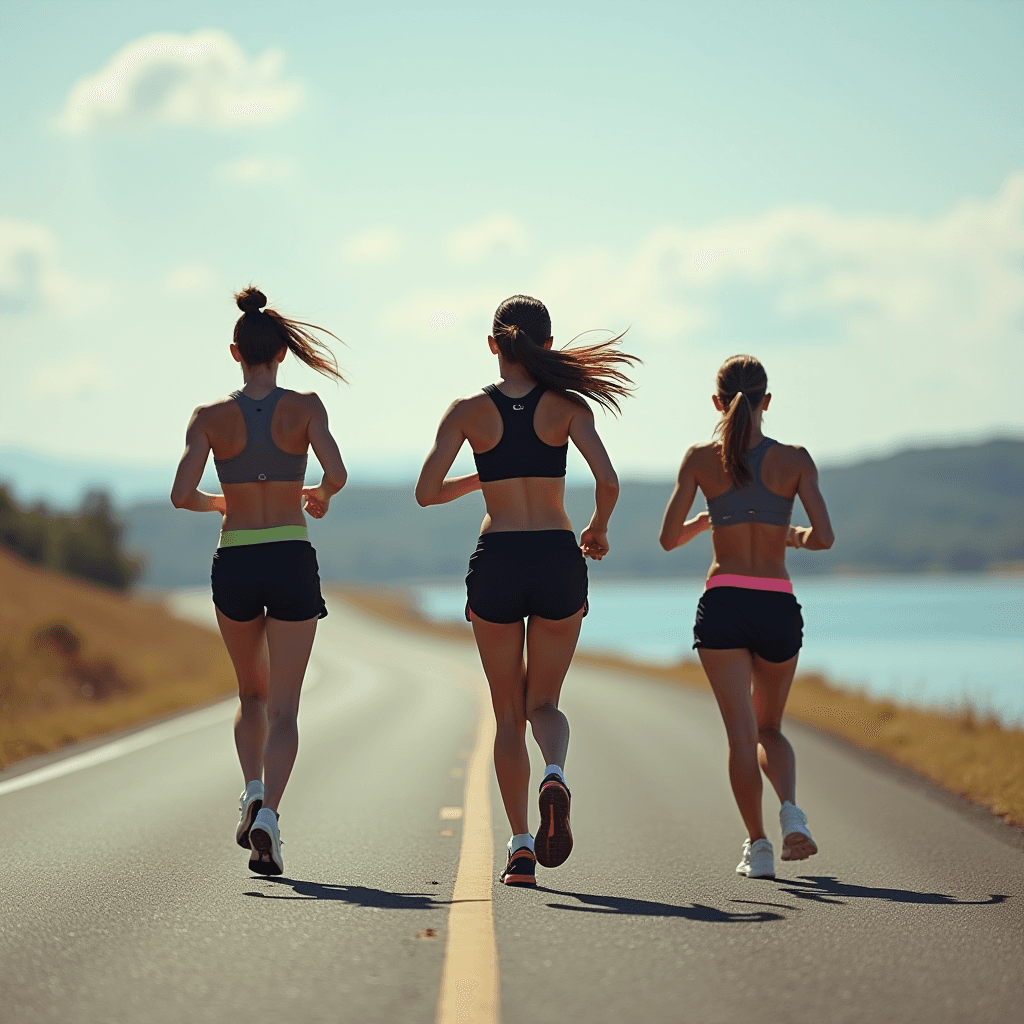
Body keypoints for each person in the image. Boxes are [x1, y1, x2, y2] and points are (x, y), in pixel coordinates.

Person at [415, 295, 639, 887]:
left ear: (494, 345)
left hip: (499, 558)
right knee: (545, 704)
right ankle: (555, 772)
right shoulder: (566, 407)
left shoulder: (467, 411)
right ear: (546, 344)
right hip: (558, 557)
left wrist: (487, 473)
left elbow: (427, 493)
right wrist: (598, 527)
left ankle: (518, 849)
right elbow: (608, 480)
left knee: (507, 712)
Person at [170, 286, 347, 876]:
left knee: (251, 694)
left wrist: (225, 503)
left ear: (235, 352)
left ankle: (250, 789)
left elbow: (180, 495)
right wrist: (316, 495)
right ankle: (269, 813)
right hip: (291, 556)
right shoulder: (307, 407)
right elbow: (337, 473)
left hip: (237, 560)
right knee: (287, 709)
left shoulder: (211, 418)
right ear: (283, 354)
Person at [659, 354, 834, 880]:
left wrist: (706, 520)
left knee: (740, 737)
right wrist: (789, 534)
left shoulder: (698, 459)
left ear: (717, 403)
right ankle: (791, 812)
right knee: (771, 729)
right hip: (776, 605)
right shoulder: (796, 459)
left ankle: (758, 846)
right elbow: (823, 538)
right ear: (767, 401)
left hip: (725, 604)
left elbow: (668, 539)